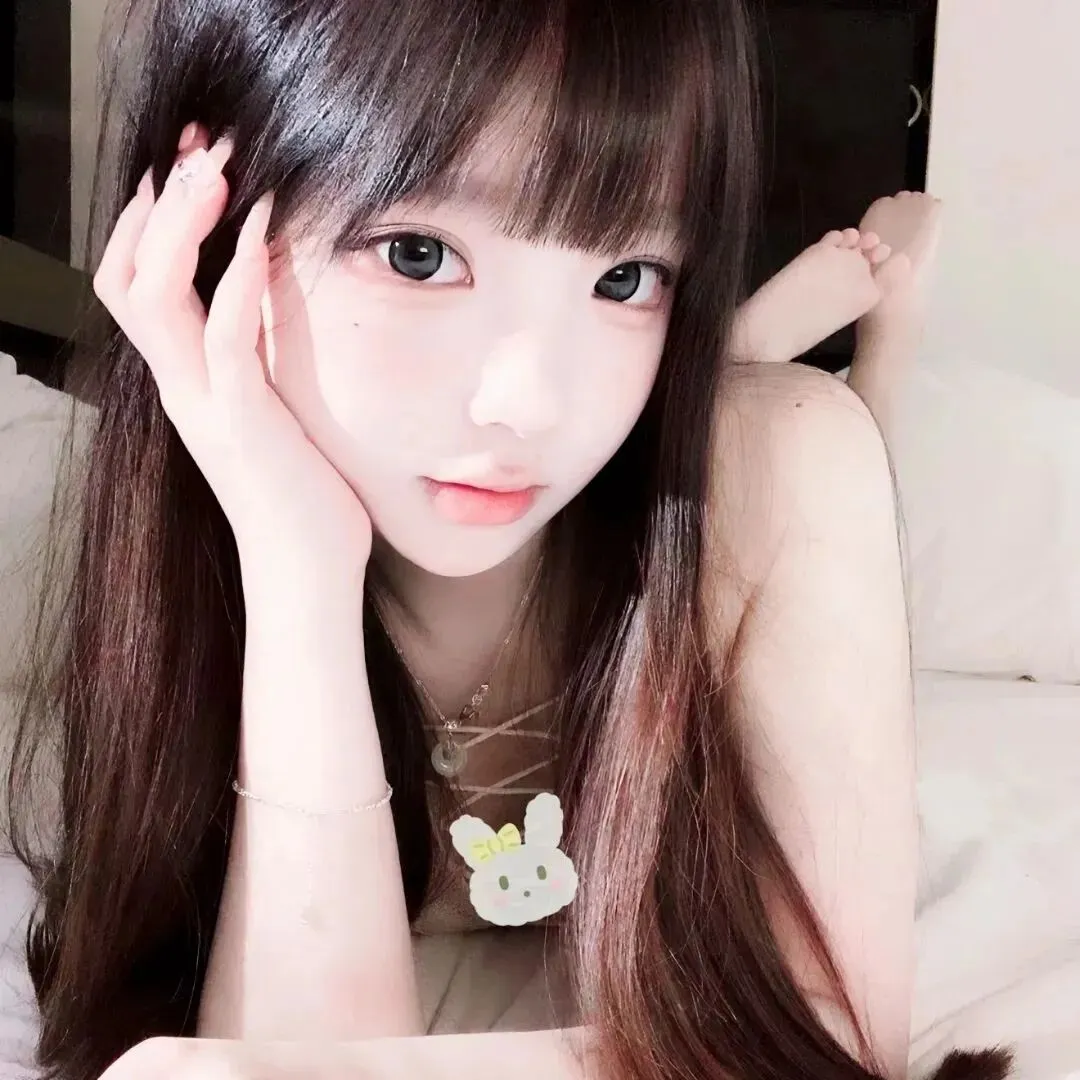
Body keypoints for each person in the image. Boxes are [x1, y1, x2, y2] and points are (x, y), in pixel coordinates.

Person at [3, 1, 995, 1079]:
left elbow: (832, 1051)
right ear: (202, 226)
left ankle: (877, 343)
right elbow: (304, 1049)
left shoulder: (778, 465)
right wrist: (298, 574)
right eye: (418, 254)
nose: (530, 401)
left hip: (738, 452)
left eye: (626, 277)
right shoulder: (178, 573)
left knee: (800, 426)